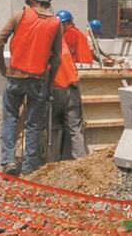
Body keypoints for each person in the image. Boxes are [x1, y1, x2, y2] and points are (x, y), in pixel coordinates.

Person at [0, 0, 62, 176]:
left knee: (10, 118)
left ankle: (8, 160)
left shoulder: (21, 14)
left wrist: (2, 66)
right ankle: (29, 169)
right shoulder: (56, 23)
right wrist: (49, 85)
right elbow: (56, 58)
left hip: (16, 76)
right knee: (33, 124)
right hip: (39, 80)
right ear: (48, 2)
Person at [48, 16, 86, 162]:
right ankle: (81, 161)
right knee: (74, 130)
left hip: (55, 90)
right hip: (72, 89)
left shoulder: (49, 43)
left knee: (52, 128)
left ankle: (51, 162)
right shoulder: (64, 43)